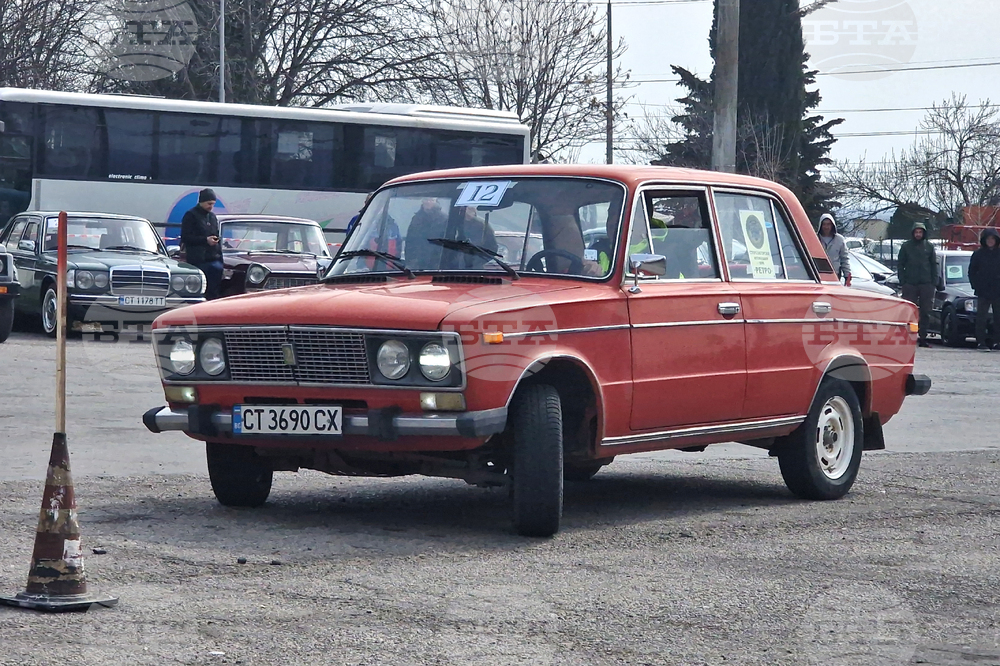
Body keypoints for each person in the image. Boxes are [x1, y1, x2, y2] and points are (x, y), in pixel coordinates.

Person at [897, 221, 938, 348]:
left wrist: (933, 282)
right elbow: (900, 264)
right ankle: (907, 336)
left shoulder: (929, 247)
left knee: (926, 312)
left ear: (924, 233)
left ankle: (923, 337)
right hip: (910, 283)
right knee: (909, 311)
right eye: (916, 232)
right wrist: (903, 281)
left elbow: (933, 265)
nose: (918, 234)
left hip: (926, 284)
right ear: (913, 233)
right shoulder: (906, 247)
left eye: (920, 232)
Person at [181, 188, 223, 300]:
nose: (211, 207)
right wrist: (205, 240)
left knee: (214, 292)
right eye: (209, 204)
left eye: (213, 204)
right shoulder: (190, 215)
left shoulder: (213, 217)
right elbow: (186, 237)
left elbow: (216, 234)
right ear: (202, 201)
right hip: (198, 260)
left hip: (214, 259)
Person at [968, 227, 1000, 350]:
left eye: (993, 239)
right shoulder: (978, 254)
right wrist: (975, 286)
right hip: (983, 291)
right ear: (984, 240)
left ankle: (997, 341)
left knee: (998, 318)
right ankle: (981, 342)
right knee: (981, 318)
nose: (990, 241)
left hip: (998, 290)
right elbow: (971, 272)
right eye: (988, 239)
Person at [404, 198, 447, 269]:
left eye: (431, 200)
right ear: (422, 201)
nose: (428, 202)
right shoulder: (416, 219)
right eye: (426, 199)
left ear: (436, 201)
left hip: (437, 264)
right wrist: (410, 261)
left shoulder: (444, 219)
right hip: (417, 263)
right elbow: (410, 241)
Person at [817, 213, 852, 286]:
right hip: (818, 274)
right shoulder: (815, 238)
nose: (826, 227)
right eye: (824, 224)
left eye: (828, 224)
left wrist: (847, 275)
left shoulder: (839, 240)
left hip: (835, 274)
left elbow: (844, 258)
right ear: (820, 225)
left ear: (832, 225)